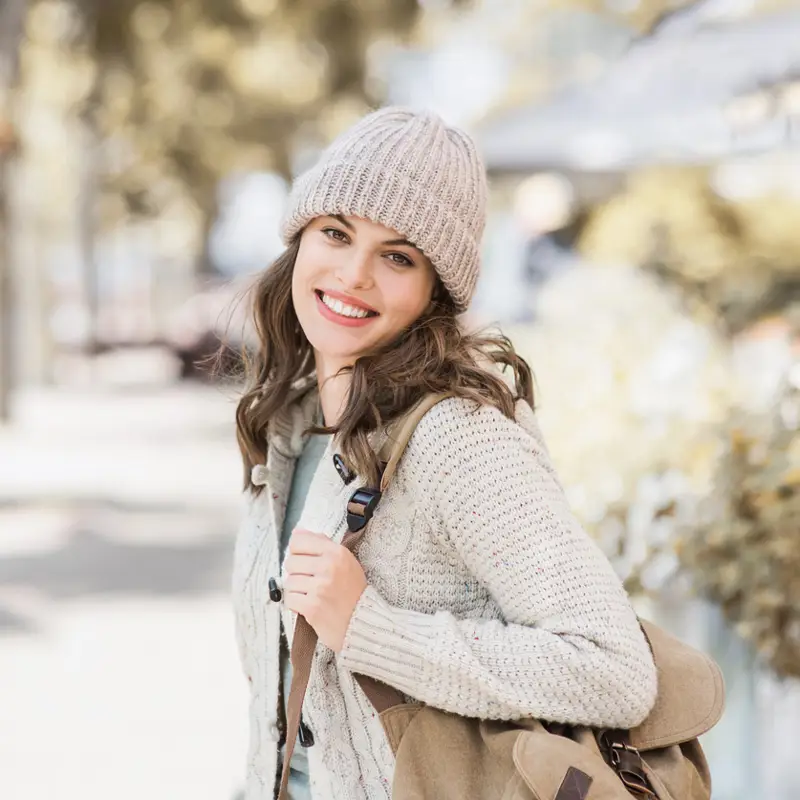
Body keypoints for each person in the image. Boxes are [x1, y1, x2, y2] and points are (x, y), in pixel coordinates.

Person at [231, 107, 658, 800]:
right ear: (300, 238)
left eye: (398, 257)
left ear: (436, 291)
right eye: (336, 233)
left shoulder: (459, 438)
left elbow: (613, 670)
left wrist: (372, 629)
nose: (354, 273)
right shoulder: (289, 424)